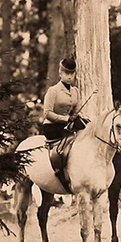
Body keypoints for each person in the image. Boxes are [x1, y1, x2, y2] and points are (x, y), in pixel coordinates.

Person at [41, 57, 85, 191]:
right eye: (67, 73)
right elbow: (47, 113)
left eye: (72, 74)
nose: (70, 77)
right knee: (62, 149)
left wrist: (80, 118)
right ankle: (59, 170)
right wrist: (66, 119)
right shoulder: (53, 91)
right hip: (52, 126)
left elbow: (76, 111)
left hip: (67, 125)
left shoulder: (75, 91)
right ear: (60, 73)